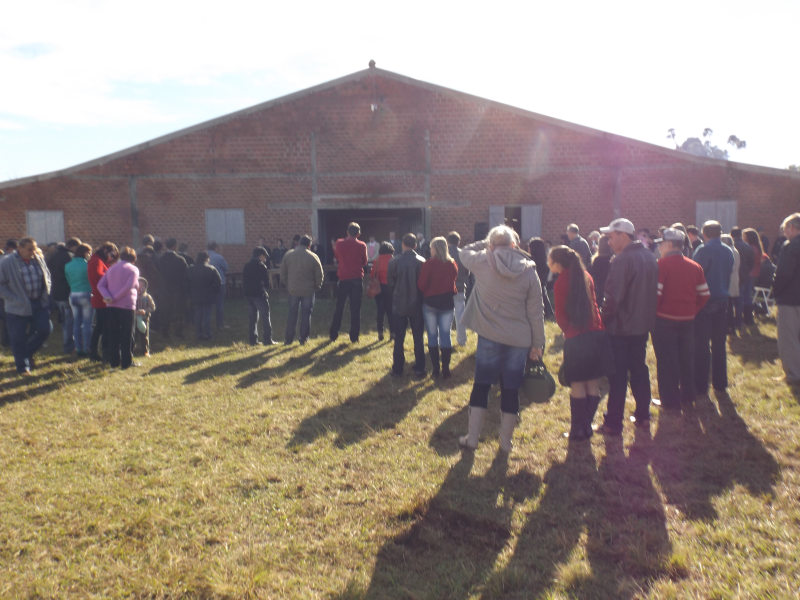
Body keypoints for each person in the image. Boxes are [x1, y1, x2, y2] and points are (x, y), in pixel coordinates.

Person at [458, 225, 545, 453]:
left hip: (489, 335)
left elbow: (463, 251)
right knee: (511, 388)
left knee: (482, 385)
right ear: (515, 245)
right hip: (519, 338)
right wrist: (538, 344)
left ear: (491, 245)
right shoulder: (529, 270)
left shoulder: (482, 261)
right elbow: (536, 312)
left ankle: (473, 437)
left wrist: (486, 244)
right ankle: (505, 442)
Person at [597, 218, 658, 436]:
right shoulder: (650, 256)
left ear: (623, 235)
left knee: (618, 376)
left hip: (621, 328)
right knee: (640, 370)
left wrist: (602, 318)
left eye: (611, 237)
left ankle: (613, 422)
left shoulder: (622, 261)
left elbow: (613, 298)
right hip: (641, 326)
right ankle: (643, 415)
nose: (608, 241)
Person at [548, 245, 614, 439]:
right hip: (596, 333)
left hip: (576, 336)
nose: (548, 263)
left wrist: (567, 331)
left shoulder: (561, 283)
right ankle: (587, 424)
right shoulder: (586, 276)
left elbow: (560, 315)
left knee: (577, 382)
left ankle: (578, 428)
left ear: (558, 264)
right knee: (592, 380)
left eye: (549, 260)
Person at [652, 229, 710, 413]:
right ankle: (688, 396)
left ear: (669, 245)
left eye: (661, 243)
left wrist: (656, 313)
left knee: (666, 361)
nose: (659, 246)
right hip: (688, 320)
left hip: (664, 321)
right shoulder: (695, 266)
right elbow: (704, 295)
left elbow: (655, 296)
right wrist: (692, 310)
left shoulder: (661, 265)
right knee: (686, 359)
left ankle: (669, 401)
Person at [692, 221, 735, 394]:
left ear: (704, 234)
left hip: (705, 300)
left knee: (701, 344)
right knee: (719, 343)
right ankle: (720, 382)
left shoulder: (702, 251)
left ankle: (701, 384)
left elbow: (695, 275)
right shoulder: (728, 251)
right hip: (723, 299)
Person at [0, 237, 52, 375]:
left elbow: (47, 275)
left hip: (38, 303)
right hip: (17, 306)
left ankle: (26, 353)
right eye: (30, 249)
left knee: (45, 329)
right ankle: (22, 367)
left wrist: (46, 293)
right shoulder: (7, 262)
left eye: (34, 248)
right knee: (17, 337)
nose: (33, 252)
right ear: (20, 249)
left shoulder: (37, 259)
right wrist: (13, 298)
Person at [417, 237, 458, 378]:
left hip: (430, 302)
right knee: (446, 335)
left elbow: (422, 284)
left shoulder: (428, 264)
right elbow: (454, 279)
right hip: (447, 302)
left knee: (432, 335)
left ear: (434, 248)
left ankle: (435, 369)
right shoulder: (452, 263)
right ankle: (446, 369)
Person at [387, 233, 426, 377]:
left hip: (399, 304)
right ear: (415, 245)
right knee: (418, 338)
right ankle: (420, 368)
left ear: (403, 244)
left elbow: (390, 283)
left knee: (399, 338)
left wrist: (396, 296)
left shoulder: (394, 262)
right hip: (417, 304)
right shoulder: (421, 261)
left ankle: (397, 368)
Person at [97, 247, 139, 370]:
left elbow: (101, 285)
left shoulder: (111, 268)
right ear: (133, 259)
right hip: (127, 305)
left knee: (113, 333)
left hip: (111, 306)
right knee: (127, 334)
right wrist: (115, 297)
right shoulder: (133, 269)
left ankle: (114, 362)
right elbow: (129, 286)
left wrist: (108, 296)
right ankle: (126, 362)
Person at [772, 213, 800, 383]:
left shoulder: (790, 247)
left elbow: (782, 273)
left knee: (789, 338)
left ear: (791, 228)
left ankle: (793, 374)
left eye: (785, 229)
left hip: (790, 299)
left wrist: (776, 290)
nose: (784, 233)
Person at [281, 235, 324, 345]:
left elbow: (283, 274)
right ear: (309, 245)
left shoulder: (288, 255)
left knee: (292, 314)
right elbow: (319, 274)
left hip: (293, 290)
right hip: (308, 291)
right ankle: (303, 338)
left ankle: (288, 339)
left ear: (298, 243)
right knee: (306, 314)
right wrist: (317, 286)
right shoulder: (313, 256)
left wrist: (288, 285)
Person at [330, 223, 368, 343]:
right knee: (355, 309)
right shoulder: (362, 245)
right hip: (356, 278)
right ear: (358, 234)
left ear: (347, 232)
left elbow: (337, 256)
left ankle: (333, 333)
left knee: (339, 306)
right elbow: (365, 261)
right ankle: (354, 336)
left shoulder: (339, 243)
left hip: (343, 278)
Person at [47, 239, 79, 354]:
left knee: (66, 321)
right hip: (67, 292)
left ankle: (68, 345)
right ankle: (69, 346)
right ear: (73, 247)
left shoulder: (53, 257)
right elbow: (72, 275)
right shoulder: (69, 257)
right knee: (70, 321)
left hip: (56, 293)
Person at [87, 242, 118, 362]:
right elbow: (99, 276)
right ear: (105, 251)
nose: (112, 258)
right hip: (102, 298)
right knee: (106, 328)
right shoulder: (97, 261)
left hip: (101, 298)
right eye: (112, 255)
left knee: (100, 327)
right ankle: (105, 353)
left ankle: (93, 351)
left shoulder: (98, 260)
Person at [65, 243, 94, 357]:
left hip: (73, 294)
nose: (90, 255)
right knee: (87, 323)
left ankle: (78, 348)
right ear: (85, 253)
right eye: (89, 252)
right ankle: (87, 348)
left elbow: (68, 279)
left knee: (76, 322)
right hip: (86, 293)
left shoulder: (68, 265)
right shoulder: (88, 265)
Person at [243, 246, 276, 345]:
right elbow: (266, 282)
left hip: (248, 294)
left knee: (252, 318)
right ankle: (267, 339)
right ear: (260, 255)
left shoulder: (246, 265)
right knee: (265, 316)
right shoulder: (261, 266)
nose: (265, 259)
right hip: (259, 294)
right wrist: (262, 284)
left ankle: (253, 340)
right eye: (264, 257)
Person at [186, 251, 222, 341]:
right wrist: (214, 291)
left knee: (197, 315)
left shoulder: (190, 269)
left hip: (195, 295)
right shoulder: (211, 269)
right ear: (206, 259)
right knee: (207, 315)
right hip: (208, 295)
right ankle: (208, 334)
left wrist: (190, 292)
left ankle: (199, 334)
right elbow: (218, 283)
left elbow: (186, 283)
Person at [157, 238, 188, 340]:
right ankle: (178, 332)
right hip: (178, 288)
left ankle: (165, 332)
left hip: (165, 288)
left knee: (165, 310)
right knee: (178, 310)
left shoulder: (161, 259)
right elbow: (185, 274)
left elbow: (157, 272)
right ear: (175, 246)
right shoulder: (180, 259)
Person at [448, 232, 471, 344]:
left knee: (446, 315)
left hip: (446, 288)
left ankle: (445, 340)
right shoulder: (463, 254)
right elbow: (467, 272)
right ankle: (462, 340)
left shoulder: (444, 253)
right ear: (458, 242)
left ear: (447, 241)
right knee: (460, 314)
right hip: (460, 287)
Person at [730, 227, 754, 331]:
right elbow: (751, 263)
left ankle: (735, 321)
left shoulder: (731, 246)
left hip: (733, 275)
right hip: (745, 276)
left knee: (733, 299)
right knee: (742, 298)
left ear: (732, 235)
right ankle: (741, 320)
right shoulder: (748, 247)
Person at [371, 241, 395, 342]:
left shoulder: (377, 260)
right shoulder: (394, 260)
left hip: (379, 287)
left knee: (380, 311)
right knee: (391, 311)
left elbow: (372, 275)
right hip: (391, 287)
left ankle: (380, 332)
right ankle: (392, 332)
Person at [742, 228, 766, 325]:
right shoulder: (757, 247)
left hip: (749, 274)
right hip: (754, 273)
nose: (743, 237)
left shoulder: (750, 248)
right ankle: (749, 317)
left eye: (744, 236)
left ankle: (748, 318)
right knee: (748, 294)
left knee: (746, 295)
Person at [527, 237, 553, 320]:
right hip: (542, 284)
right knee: (543, 295)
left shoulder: (531, 262)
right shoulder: (545, 262)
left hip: (533, 286)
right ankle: (548, 312)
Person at [721, 235, 741, 335]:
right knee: (730, 304)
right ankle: (731, 327)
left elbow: (730, 267)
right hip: (733, 278)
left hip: (730, 279)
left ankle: (730, 327)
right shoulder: (734, 250)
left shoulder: (730, 251)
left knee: (728, 305)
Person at [207, 242, 229, 329]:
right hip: (219, 283)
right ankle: (220, 324)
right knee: (219, 305)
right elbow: (226, 268)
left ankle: (206, 324)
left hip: (206, 284)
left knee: (206, 305)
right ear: (216, 248)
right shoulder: (219, 257)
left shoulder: (203, 256)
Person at [134, 278, 156, 357]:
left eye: (142, 285)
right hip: (135, 319)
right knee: (134, 336)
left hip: (144, 319)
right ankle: (132, 351)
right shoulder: (133, 296)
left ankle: (145, 351)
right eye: (139, 285)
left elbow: (152, 307)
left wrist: (145, 311)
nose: (141, 287)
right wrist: (135, 311)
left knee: (144, 337)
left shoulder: (147, 297)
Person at [590, 235, 613, 306]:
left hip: (600, 288)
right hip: (611, 288)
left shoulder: (597, 260)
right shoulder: (613, 258)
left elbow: (594, 275)